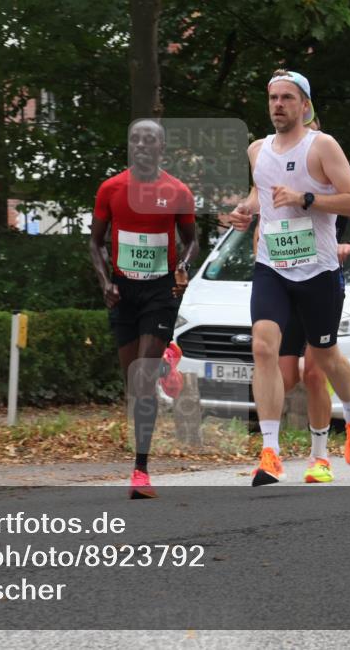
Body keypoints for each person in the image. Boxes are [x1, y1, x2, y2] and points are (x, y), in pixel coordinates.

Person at [231, 69, 350, 487]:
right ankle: (270, 453)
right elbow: (262, 193)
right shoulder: (257, 150)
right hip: (273, 265)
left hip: (318, 270)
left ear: (304, 105)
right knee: (263, 346)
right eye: (273, 97)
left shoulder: (322, 146)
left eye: (287, 98)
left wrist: (306, 198)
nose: (278, 105)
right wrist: (246, 209)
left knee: (324, 360)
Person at [90, 118, 198, 499]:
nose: (140, 146)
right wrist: (106, 283)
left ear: (160, 149)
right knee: (133, 386)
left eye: (148, 140)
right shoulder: (111, 189)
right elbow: (95, 243)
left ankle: (140, 470)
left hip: (159, 291)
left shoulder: (177, 191)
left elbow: (191, 241)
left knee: (142, 379)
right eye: (134, 139)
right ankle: (168, 358)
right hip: (124, 292)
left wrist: (183, 265)